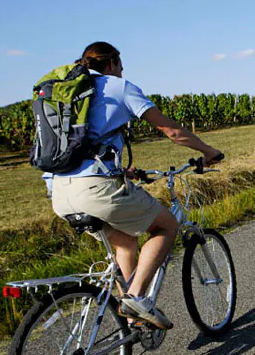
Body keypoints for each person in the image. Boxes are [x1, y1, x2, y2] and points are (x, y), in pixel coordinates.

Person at [50, 41, 223, 329]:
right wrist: (208, 151)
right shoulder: (119, 87)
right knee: (166, 225)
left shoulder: (69, 96)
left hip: (60, 191)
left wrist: (121, 171)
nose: (121, 71)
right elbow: (171, 130)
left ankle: (133, 324)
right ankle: (135, 298)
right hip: (95, 190)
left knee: (126, 242)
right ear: (112, 62)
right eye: (120, 66)